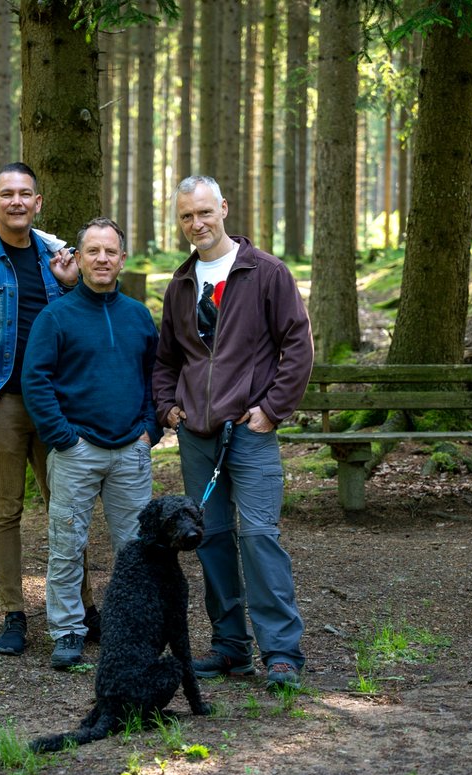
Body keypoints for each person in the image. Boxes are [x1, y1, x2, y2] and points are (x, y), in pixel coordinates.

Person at [152, 175, 314, 690]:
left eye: (204, 212)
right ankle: (230, 648)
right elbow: (166, 360)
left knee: (260, 536)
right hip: (197, 435)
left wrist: (273, 409)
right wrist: (167, 408)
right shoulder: (179, 285)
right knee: (211, 539)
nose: (196, 224)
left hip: (249, 431)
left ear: (223, 208)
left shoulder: (265, 272)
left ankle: (282, 652)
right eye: (186, 217)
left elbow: (298, 346)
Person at [0, 162, 96, 657]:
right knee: (5, 511)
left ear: (38, 202)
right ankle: (13, 613)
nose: (16, 202)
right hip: (1, 402)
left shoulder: (56, 255)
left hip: (55, 403)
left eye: (25, 194)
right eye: (6, 194)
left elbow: (84, 316)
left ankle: (83, 609)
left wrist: (71, 285)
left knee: (65, 509)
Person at [22, 217, 162, 669]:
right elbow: (35, 381)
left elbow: (154, 379)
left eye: (111, 252)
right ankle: (67, 631)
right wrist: (63, 438)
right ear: (78, 259)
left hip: (130, 452)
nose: (102, 259)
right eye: (93, 251)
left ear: (123, 260)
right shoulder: (56, 317)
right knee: (67, 544)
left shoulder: (139, 316)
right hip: (76, 452)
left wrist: (149, 430)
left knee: (137, 548)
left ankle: (131, 629)